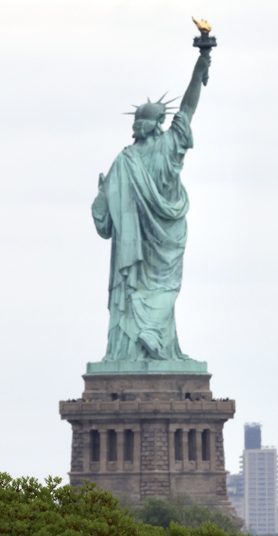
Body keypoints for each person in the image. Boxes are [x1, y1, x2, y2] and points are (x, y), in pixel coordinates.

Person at [91, 49, 212, 362]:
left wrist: (103, 194)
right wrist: (200, 68)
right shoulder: (165, 147)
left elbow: (104, 223)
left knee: (139, 290)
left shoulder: (123, 161)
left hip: (139, 251)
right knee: (165, 288)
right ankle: (153, 339)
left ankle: (139, 343)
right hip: (166, 239)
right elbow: (188, 108)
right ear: (160, 123)